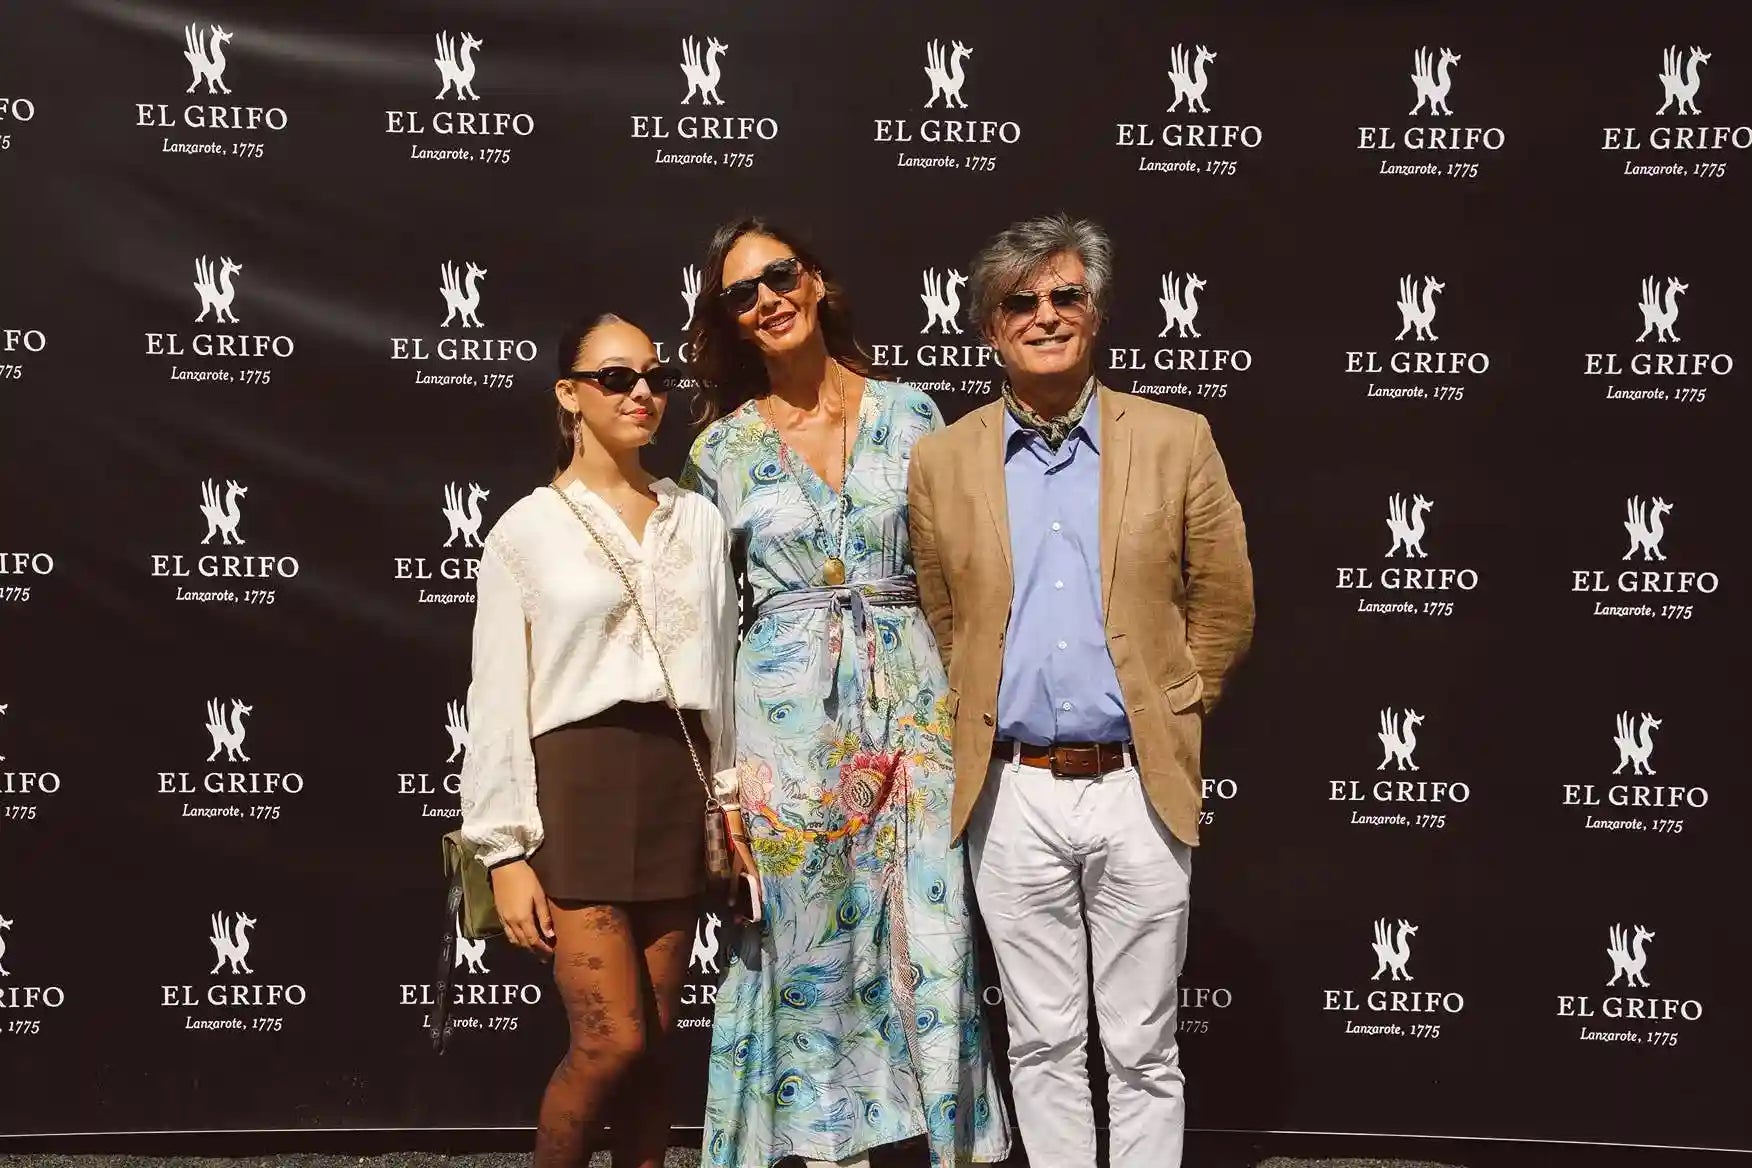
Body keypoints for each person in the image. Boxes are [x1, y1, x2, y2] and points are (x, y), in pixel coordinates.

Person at [907, 213, 1255, 1168]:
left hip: (1138, 783)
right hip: (1010, 789)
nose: (1046, 315)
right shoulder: (943, 459)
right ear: (990, 327)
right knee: (1042, 1041)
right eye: (1020, 301)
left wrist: (1171, 708)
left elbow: (1223, 604)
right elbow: (944, 615)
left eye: (1067, 295)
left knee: (1143, 1047)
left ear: (1096, 313)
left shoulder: (1178, 439)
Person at [679, 217, 1011, 1168]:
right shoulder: (719, 451)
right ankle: (825, 1151)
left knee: (934, 935)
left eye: (780, 275)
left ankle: (945, 1148)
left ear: (817, 281)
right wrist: (725, 786)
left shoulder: (912, 413)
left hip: (913, 708)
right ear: (730, 320)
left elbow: (960, 572)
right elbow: (707, 624)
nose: (767, 300)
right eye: (741, 293)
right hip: (784, 724)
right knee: (808, 944)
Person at [457, 312, 739, 1168]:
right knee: (611, 1042)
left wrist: (729, 802)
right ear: (569, 394)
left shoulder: (700, 522)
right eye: (616, 377)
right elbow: (496, 695)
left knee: (655, 1049)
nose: (642, 392)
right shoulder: (525, 530)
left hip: (678, 781)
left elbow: (723, 678)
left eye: (655, 376)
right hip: (577, 789)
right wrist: (503, 851)